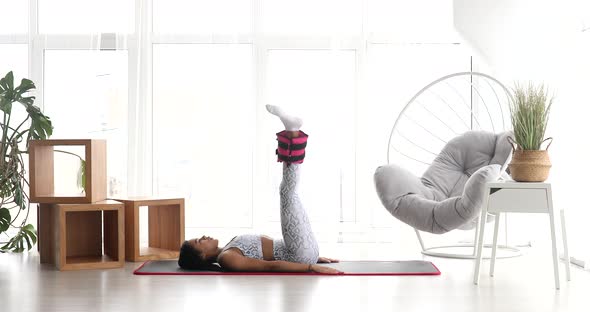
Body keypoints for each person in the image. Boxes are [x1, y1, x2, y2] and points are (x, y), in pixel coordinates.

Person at [178, 105, 341, 274]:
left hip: (300, 251)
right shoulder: (227, 258)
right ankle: (292, 131)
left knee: (289, 193)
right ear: (202, 256)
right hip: (299, 255)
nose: (204, 237)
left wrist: (312, 257)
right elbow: (269, 266)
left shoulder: (228, 247)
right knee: (288, 193)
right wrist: (309, 265)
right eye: (199, 241)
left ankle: (292, 132)